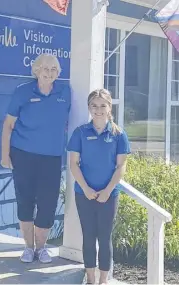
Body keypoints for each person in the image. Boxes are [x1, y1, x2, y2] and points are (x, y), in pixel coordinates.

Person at [1, 53, 71, 263]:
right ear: (36, 71)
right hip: (23, 154)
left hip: (51, 157)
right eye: (45, 69)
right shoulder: (22, 92)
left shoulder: (65, 92)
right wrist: (5, 155)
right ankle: (28, 248)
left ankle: (41, 248)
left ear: (58, 73)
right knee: (25, 200)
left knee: (48, 204)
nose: (49, 73)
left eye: (54, 70)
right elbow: (8, 125)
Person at [67, 89, 131, 285]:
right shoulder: (80, 133)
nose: (98, 110)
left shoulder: (119, 135)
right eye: (94, 105)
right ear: (89, 108)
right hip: (84, 194)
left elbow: (121, 167)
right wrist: (86, 189)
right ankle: (91, 279)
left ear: (110, 108)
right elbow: (73, 164)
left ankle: (103, 280)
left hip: (108, 195)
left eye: (103, 105)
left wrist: (108, 191)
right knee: (88, 236)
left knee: (104, 237)